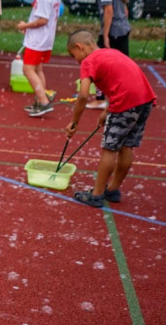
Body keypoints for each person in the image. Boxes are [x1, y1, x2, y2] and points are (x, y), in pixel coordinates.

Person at [64, 30, 157, 207]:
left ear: (80, 47)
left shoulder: (88, 61)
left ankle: (96, 195)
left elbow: (83, 96)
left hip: (126, 103)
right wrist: (108, 111)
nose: (75, 59)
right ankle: (112, 189)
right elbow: (121, 82)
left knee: (110, 148)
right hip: (145, 99)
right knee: (127, 145)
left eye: (72, 54)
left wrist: (74, 122)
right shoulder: (112, 52)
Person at [16, 0, 61, 117]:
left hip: (37, 41)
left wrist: (25, 25)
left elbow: (42, 20)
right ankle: (41, 98)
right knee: (38, 69)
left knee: (27, 69)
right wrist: (28, 27)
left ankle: (43, 101)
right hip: (46, 39)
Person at [91, 0, 131, 110]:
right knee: (123, 65)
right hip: (123, 30)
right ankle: (125, 97)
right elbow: (125, 11)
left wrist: (106, 35)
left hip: (113, 32)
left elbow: (109, 11)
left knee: (98, 65)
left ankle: (100, 99)